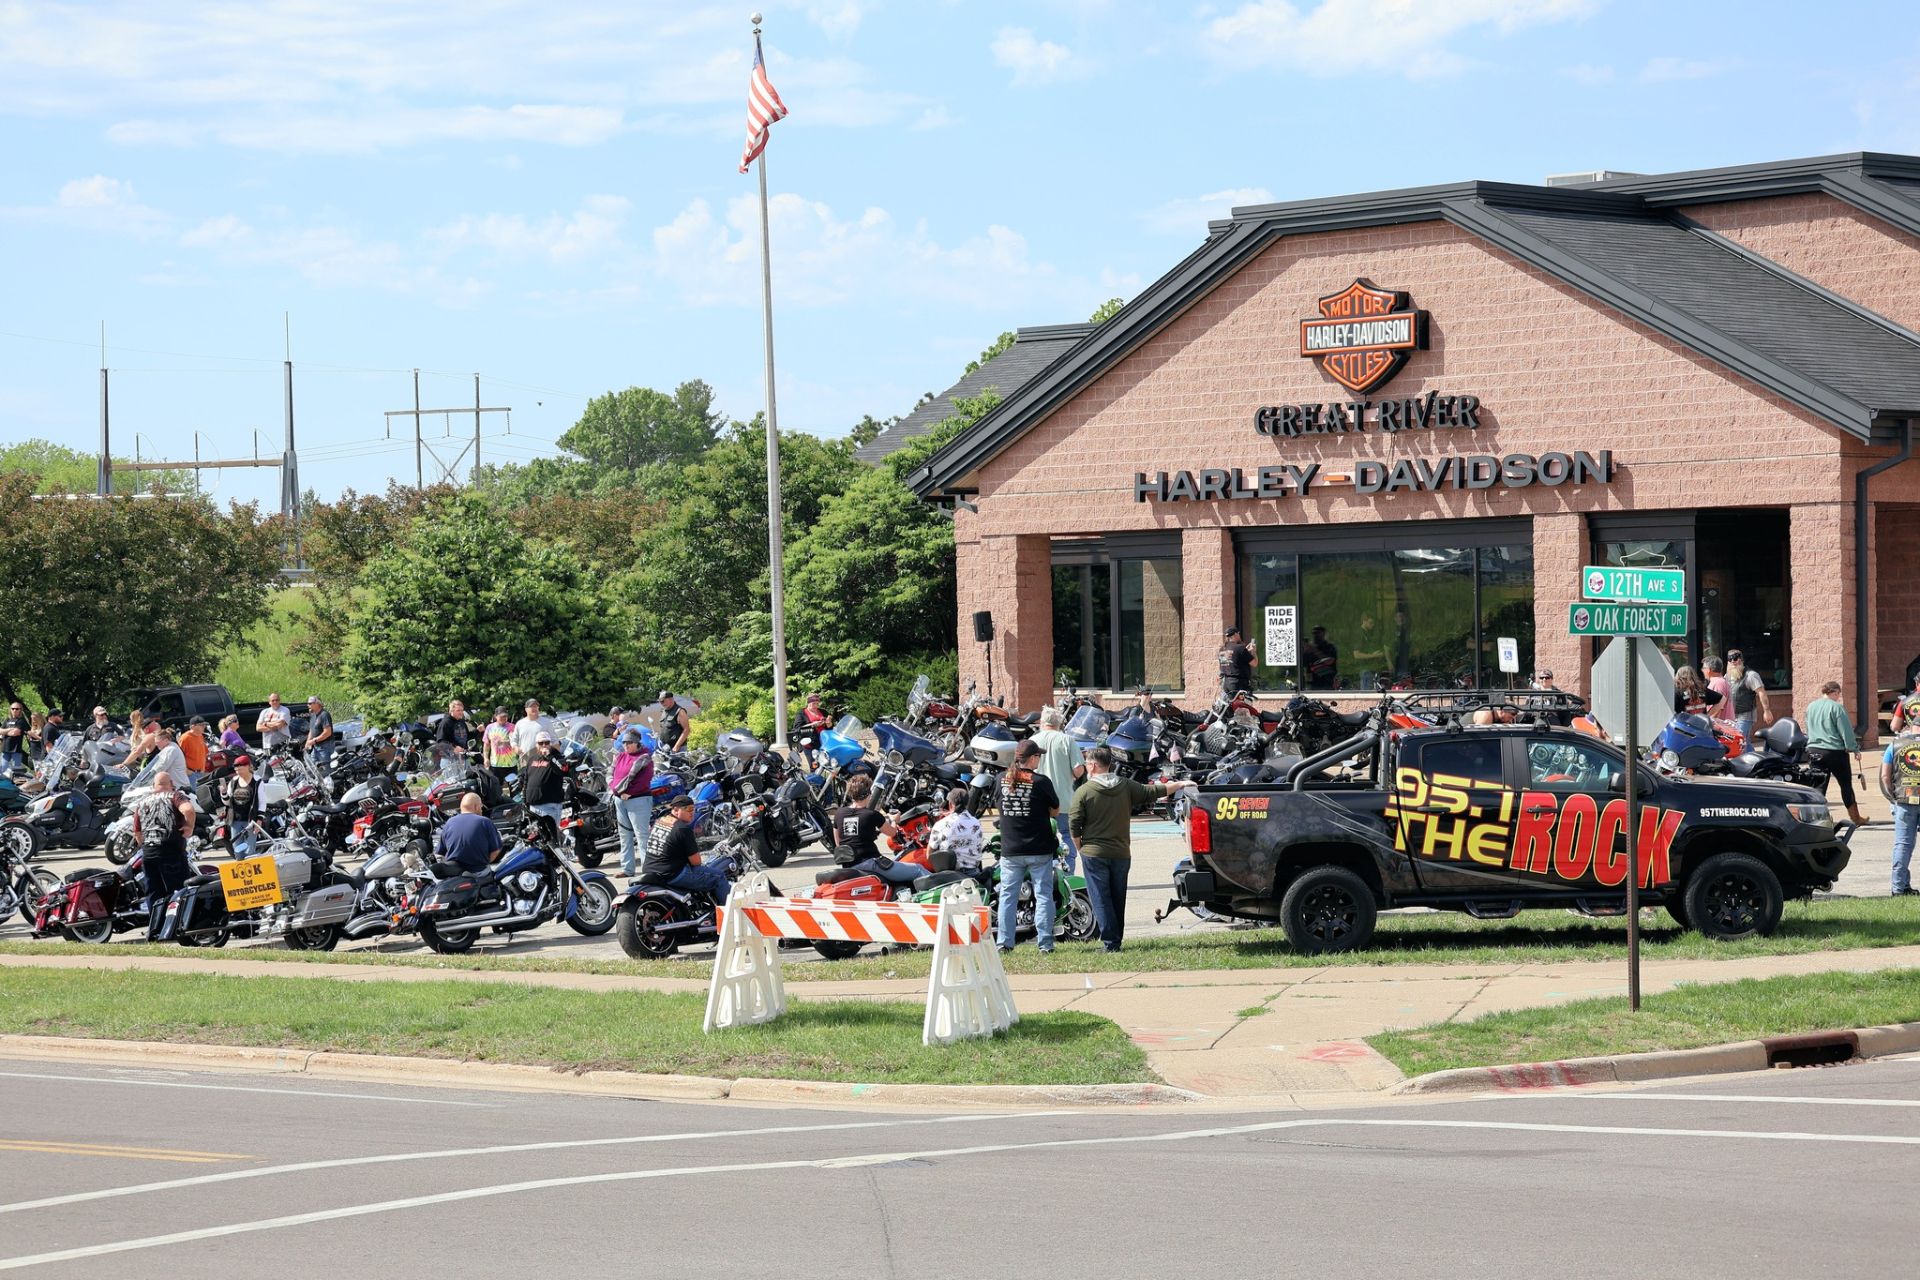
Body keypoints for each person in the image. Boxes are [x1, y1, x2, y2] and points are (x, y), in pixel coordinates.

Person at [1071, 745, 1196, 953]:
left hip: (1094, 853)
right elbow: (1153, 791)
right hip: (1121, 853)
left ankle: (1111, 944)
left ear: (1092, 765)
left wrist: (1080, 848)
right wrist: (1181, 783)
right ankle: (1116, 940)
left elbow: (1074, 825)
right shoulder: (1125, 785)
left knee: (1101, 898)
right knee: (1118, 897)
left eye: (1086, 763)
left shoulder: (1083, 792)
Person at [995, 739, 1061, 953]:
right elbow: (1055, 811)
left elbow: (997, 807)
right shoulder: (1041, 782)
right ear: (1032, 758)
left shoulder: (1000, 780)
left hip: (1011, 849)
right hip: (1039, 847)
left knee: (1007, 896)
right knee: (1043, 895)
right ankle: (1045, 944)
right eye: (1038, 757)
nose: (1039, 760)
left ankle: (1004, 943)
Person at [132, 771, 195, 940]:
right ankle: (177, 926)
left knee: (154, 892)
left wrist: (146, 844)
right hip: (170, 850)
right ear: (171, 783)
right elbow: (188, 809)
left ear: (154, 786)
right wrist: (189, 827)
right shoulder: (175, 796)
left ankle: (155, 930)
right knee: (179, 890)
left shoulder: (143, 801)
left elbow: (137, 831)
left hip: (149, 853)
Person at [830, 775, 920, 885]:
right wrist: (894, 820)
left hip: (850, 866)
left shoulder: (839, 813)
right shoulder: (871, 815)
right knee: (918, 869)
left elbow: (838, 842)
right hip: (871, 863)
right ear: (868, 794)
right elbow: (892, 832)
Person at [641, 793, 730, 904]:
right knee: (719, 877)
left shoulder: (660, 821)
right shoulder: (683, 828)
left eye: (694, 808)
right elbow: (696, 862)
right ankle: (727, 916)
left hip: (650, 870)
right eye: (688, 809)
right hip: (672, 874)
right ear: (676, 810)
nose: (692, 812)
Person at [1028, 706, 1086, 873]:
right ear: (1060, 722)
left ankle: (1043, 874)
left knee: (1040, 839)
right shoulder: (1067, 740)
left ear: (1041, 722)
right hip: (1064, 800)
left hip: (1037, 802)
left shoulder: (1033, 741)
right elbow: (1078, 771)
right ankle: (1068, 875)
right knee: (1067, 835)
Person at [1806, 680, 1867, 827]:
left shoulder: (1811, 707)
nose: (1839, 697)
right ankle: (1856, 818)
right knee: (1845, 784)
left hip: (1814, 750)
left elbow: (1808, 728)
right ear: (1834, 692)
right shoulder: (1837, 708)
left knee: (1818, 786)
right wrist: (1854, 748)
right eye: (1838, 694)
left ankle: (1814, 818)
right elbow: (1845, 731)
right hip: (1834, 751)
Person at [607, 728, 655, 879]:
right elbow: (610, 773)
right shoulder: (620, 756)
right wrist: (615, 790)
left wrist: (630, 792)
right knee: (624, 835)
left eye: (629, 743)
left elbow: (644, 779)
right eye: (624, 743)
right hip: (620, 799)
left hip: (638, 799)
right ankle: (627, 868)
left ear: (637, 743)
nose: (626, 746)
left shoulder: (645, 757)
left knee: (642, 835)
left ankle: (649, 870)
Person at [1882, 732, 1920, 896]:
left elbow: (1885, 775)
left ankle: (1898, 888)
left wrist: (1892, 796)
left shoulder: (1895, 745)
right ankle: (1903, 886)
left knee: (1903, 845)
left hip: (1904, 799)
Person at [438, 791, 505, 875]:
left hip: (455, 874)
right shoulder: (484, 822)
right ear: (476, 807)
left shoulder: (449, 822)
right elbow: (496, 850)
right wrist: (484, 862)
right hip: (479, 872)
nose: (481, 810)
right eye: (481, 807)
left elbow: (441, 852)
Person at [927, 786, 983, 873]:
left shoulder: (941, 824)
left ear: (950, 804)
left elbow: (929, 855)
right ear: (967, 804)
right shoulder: (976, 823)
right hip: (974, 873)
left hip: (949, 875)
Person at [1724, 649, 1774, 744]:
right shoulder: (1727, 675)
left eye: (1735, 658)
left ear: (1741, 659)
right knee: (1743, 742)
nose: (1732, 661)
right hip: (1731, 715)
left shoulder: (1751, 675)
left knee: (1739, 741)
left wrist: (1767, 711)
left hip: (1745, 715)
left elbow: (1761, 692)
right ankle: (1753, 757)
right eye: (1730, 659)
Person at [521, 731, 567, 830]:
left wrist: (550, 757)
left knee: (552, 838)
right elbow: (526, 780)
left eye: (546, 742)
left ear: (550, 743)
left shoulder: (556, 756)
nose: (544, 745)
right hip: (533, 806)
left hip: (549, 805)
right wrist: (525, 800)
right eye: (541, 743)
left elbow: (563, 770)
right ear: (536, 744)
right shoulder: (532, 758)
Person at [222, 754, 260, 858]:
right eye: (235, 766)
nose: (237, 768)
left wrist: (259, 820)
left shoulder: (257, 781)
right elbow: (227, 802)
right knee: (238, 850)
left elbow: (262, 802)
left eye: (240, 765)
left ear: (248, 766)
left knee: (250, 850)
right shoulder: (233, 781)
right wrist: (224, 793)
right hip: (235, 820)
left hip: (250, 821)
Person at [1217, 626, 1257, 697]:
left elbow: (1232, 660)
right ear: (1235, 634)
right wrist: (1253, 652)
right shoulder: (1240, 648)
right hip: (1238, 684)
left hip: (1226, 683)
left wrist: (1245, 652)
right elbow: (1254, 663)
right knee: (1241, 707)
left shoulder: (1222, 649)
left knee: (1230, 706)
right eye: (1238, 633)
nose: (1239, 635)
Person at [483, 706, 517, 784]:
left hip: (511, 765)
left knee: (514, 788)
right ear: (496, 716)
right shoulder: (489, 727)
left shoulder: (512, 727)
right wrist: (485, 758)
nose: (504, 718)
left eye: (505, 716)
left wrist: (506, 742)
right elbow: (486, 744)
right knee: (496, 789)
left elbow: (516, 742)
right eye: (501, 716)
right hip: (495, 765)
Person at [435, 698, 473, 767]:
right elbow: (441, 741)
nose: (461, 712)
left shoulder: (462, 722)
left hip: (464, 758)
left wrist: (478, 731)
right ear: (451, 711)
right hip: (450, 760)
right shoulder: (445, 723)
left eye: (462, 710)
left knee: (468, 777)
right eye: (458, 710)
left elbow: (468, 737)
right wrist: (454, 747)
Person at [303, 696, 336, 771]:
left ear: (317, 704)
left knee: (326, 769)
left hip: (325, 747)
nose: (308, 705)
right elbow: (312, 730)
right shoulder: (313, 715)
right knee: (312, 768)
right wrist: (307, 743)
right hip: (316, 747)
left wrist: (314, 740)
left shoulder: (324, 715)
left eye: (310, 703)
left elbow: (327, 732)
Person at [1701, 658, 1736, 726]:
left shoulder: (1717, 683)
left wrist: (1708, 725)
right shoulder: (1720, 681)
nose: (1702, 670)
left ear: (1709, 669)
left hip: (1721, 727)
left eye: (1704, 668)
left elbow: (1719, 707)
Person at [179, 718, 210, 785]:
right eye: (201, 725)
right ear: (192, 726)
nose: (204, 727)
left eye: (204, 725)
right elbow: (179, 756)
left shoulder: (200, 736)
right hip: (191, 774)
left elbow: (204, 753)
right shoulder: (185, 738)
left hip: (201, 773)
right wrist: (186, 770)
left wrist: (203, 769)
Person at [2, 701, 27, 771]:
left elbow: (15, 733)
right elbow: (0, 731)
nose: (14, 710)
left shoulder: (21, 721)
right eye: (12, 708)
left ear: (21, 710)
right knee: (2, 769)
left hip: (16, 750)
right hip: (5, 749)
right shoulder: (7, 719)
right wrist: (10, 729)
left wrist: (5, 732)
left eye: (17, 709)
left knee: (16, 771)